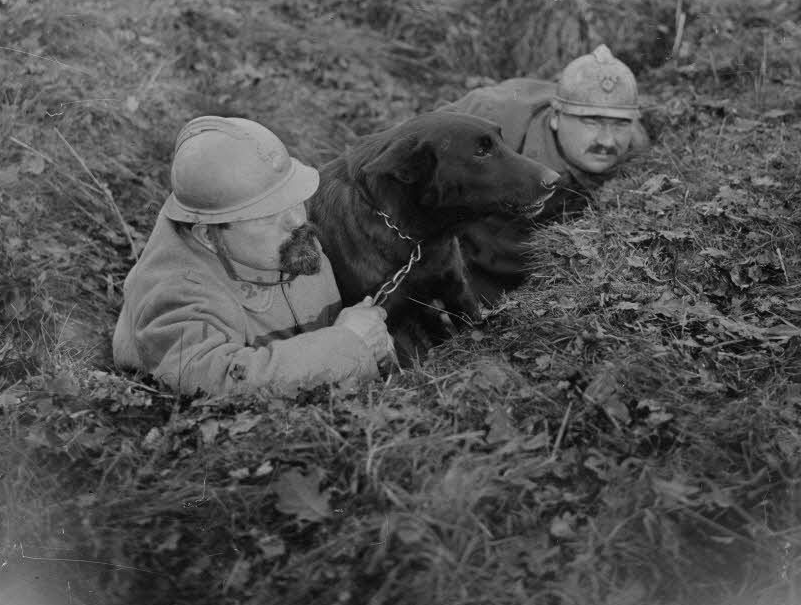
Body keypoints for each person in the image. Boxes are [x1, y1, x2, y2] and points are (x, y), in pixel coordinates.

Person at [113, 116, 394, 400]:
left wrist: (371, 340)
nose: (298, 219)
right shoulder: (177, 291)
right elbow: (216, 383)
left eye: (293, 198)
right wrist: (347, 344)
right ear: (207, 236)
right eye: (268, 215)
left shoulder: (271, 237)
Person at [441, 45, 649, 303]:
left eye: (620, 124)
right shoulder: (491, 119)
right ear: (556, 117)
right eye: (591, 121)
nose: (607, 140)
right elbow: (418, 144)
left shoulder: (635, 148)